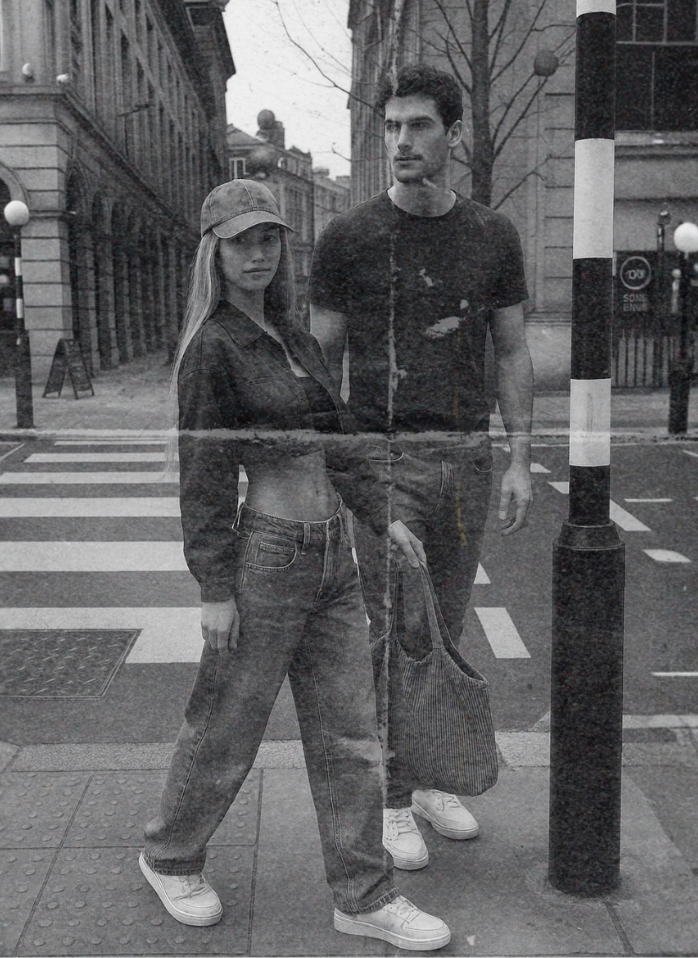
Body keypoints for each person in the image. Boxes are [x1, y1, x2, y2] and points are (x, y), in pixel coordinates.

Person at [139, 178, 451, 952]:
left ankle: (363, 895)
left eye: (269, 238)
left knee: (351, 734)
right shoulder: (212, 348)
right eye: (242, 240)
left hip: (334, 557)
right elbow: (203, 473)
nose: (258, 253)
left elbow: (340, 445)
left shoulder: (295, 336)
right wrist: (215, 586)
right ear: (214, 249)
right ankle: (171, 855)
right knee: (226, 727)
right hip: (268, 556)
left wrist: (384, 515)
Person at [310, 63, 534, 870]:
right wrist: (339, 470)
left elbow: (511, 352)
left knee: (446, 626)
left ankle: (432, 777)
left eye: (419, 126)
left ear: (452, 134)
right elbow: (320, 364)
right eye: (392, 126)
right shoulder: (350, 237)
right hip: (384, 457)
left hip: (465, 457)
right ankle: (393, 796)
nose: (402, 141)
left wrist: (519, 460)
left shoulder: (490, 236)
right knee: (395, 630)